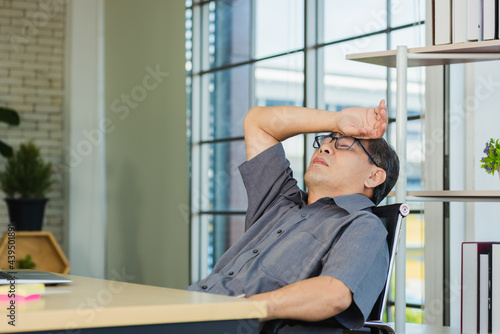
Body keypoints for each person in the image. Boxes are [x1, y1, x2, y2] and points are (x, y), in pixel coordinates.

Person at [186, 100, 399, 333]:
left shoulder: (362, 226)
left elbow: (333, 294)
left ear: (374, 176)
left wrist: (242, 310)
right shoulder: (280, 200)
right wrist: (336, 120)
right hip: (188, 309)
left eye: (344, 144)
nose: (324, 147)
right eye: (325, 140)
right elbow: (258, 123)